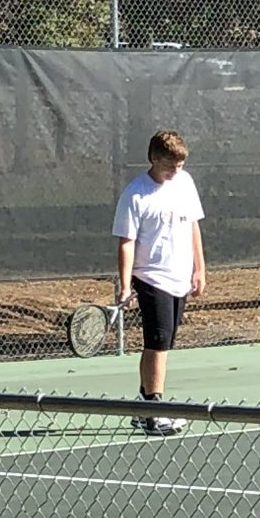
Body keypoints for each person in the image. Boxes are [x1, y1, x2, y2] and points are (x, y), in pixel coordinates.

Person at [112, 129, 206, 434]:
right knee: (159, 342)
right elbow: (126, 242)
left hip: (180, 276)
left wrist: (199, 269)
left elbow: (193, 226)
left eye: (179, 164)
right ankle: (155, 412)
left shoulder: (185, 183)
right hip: (150, 277)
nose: (174, 170)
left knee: (163, 344)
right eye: (169, 164)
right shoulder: (135, 194)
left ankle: (142, 408)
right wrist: (126, 286)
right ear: (153, 158)